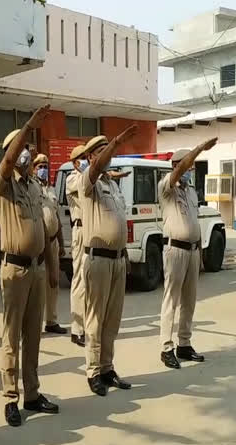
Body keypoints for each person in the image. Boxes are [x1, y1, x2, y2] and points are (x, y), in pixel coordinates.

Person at [0, 105, 60, 427]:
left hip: (35, 268)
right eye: (22, 150)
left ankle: (32, 393)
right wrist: (29, 126)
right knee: (12, 336)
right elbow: (7, 164)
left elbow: (44, 231)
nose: (28, 156)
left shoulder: (34, 187)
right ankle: (10, 398)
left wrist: (50, 266)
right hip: (15, 269)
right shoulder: (3, 184)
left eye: (29, 151)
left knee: (33, 334)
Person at [78, 131, 137, 396]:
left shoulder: (112, 185)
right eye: (101, 150)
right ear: (91, 157)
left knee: (112, 319)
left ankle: (107, 367)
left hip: (117, 259)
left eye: (108, 149)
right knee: (95, 318)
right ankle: (92, 371)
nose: (108, 155)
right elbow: (97, 168)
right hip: (98, 259)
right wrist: (115, 143)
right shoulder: (87, 181)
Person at [158, 139, 217, 370]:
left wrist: (200, 253)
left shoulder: (191, 191)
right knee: (171, 300)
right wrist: (200, 148)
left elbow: (195, 221)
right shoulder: (167, 186)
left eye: (192, 168)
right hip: (175, 250)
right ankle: (166, 347)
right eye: (187, 167)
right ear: (176, 166)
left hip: (193, 250)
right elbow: (179, 171)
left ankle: (184, 343)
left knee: (189, 300)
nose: (189, 171)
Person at [33, 154, 66, 335]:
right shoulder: (32, 188)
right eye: (39, 166)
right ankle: (35, 323)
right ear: (33, 168)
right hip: (39, 243)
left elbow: (57, 218)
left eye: (45, 165)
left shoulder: (51, 190)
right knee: (38, 284)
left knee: (53, 282)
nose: (43, 169)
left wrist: (61, 243)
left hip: (53, 241)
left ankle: (51, 320)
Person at [66, 145, 88, 347]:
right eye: (82, 158)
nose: (86, 160)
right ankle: (76, 329)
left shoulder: (89, 176)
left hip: (92, 230)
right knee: (79, 279)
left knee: (90, 280)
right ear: (74, 162)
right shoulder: (73, 178)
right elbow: (83, 183)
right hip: (80, 230)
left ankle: (86, 325)